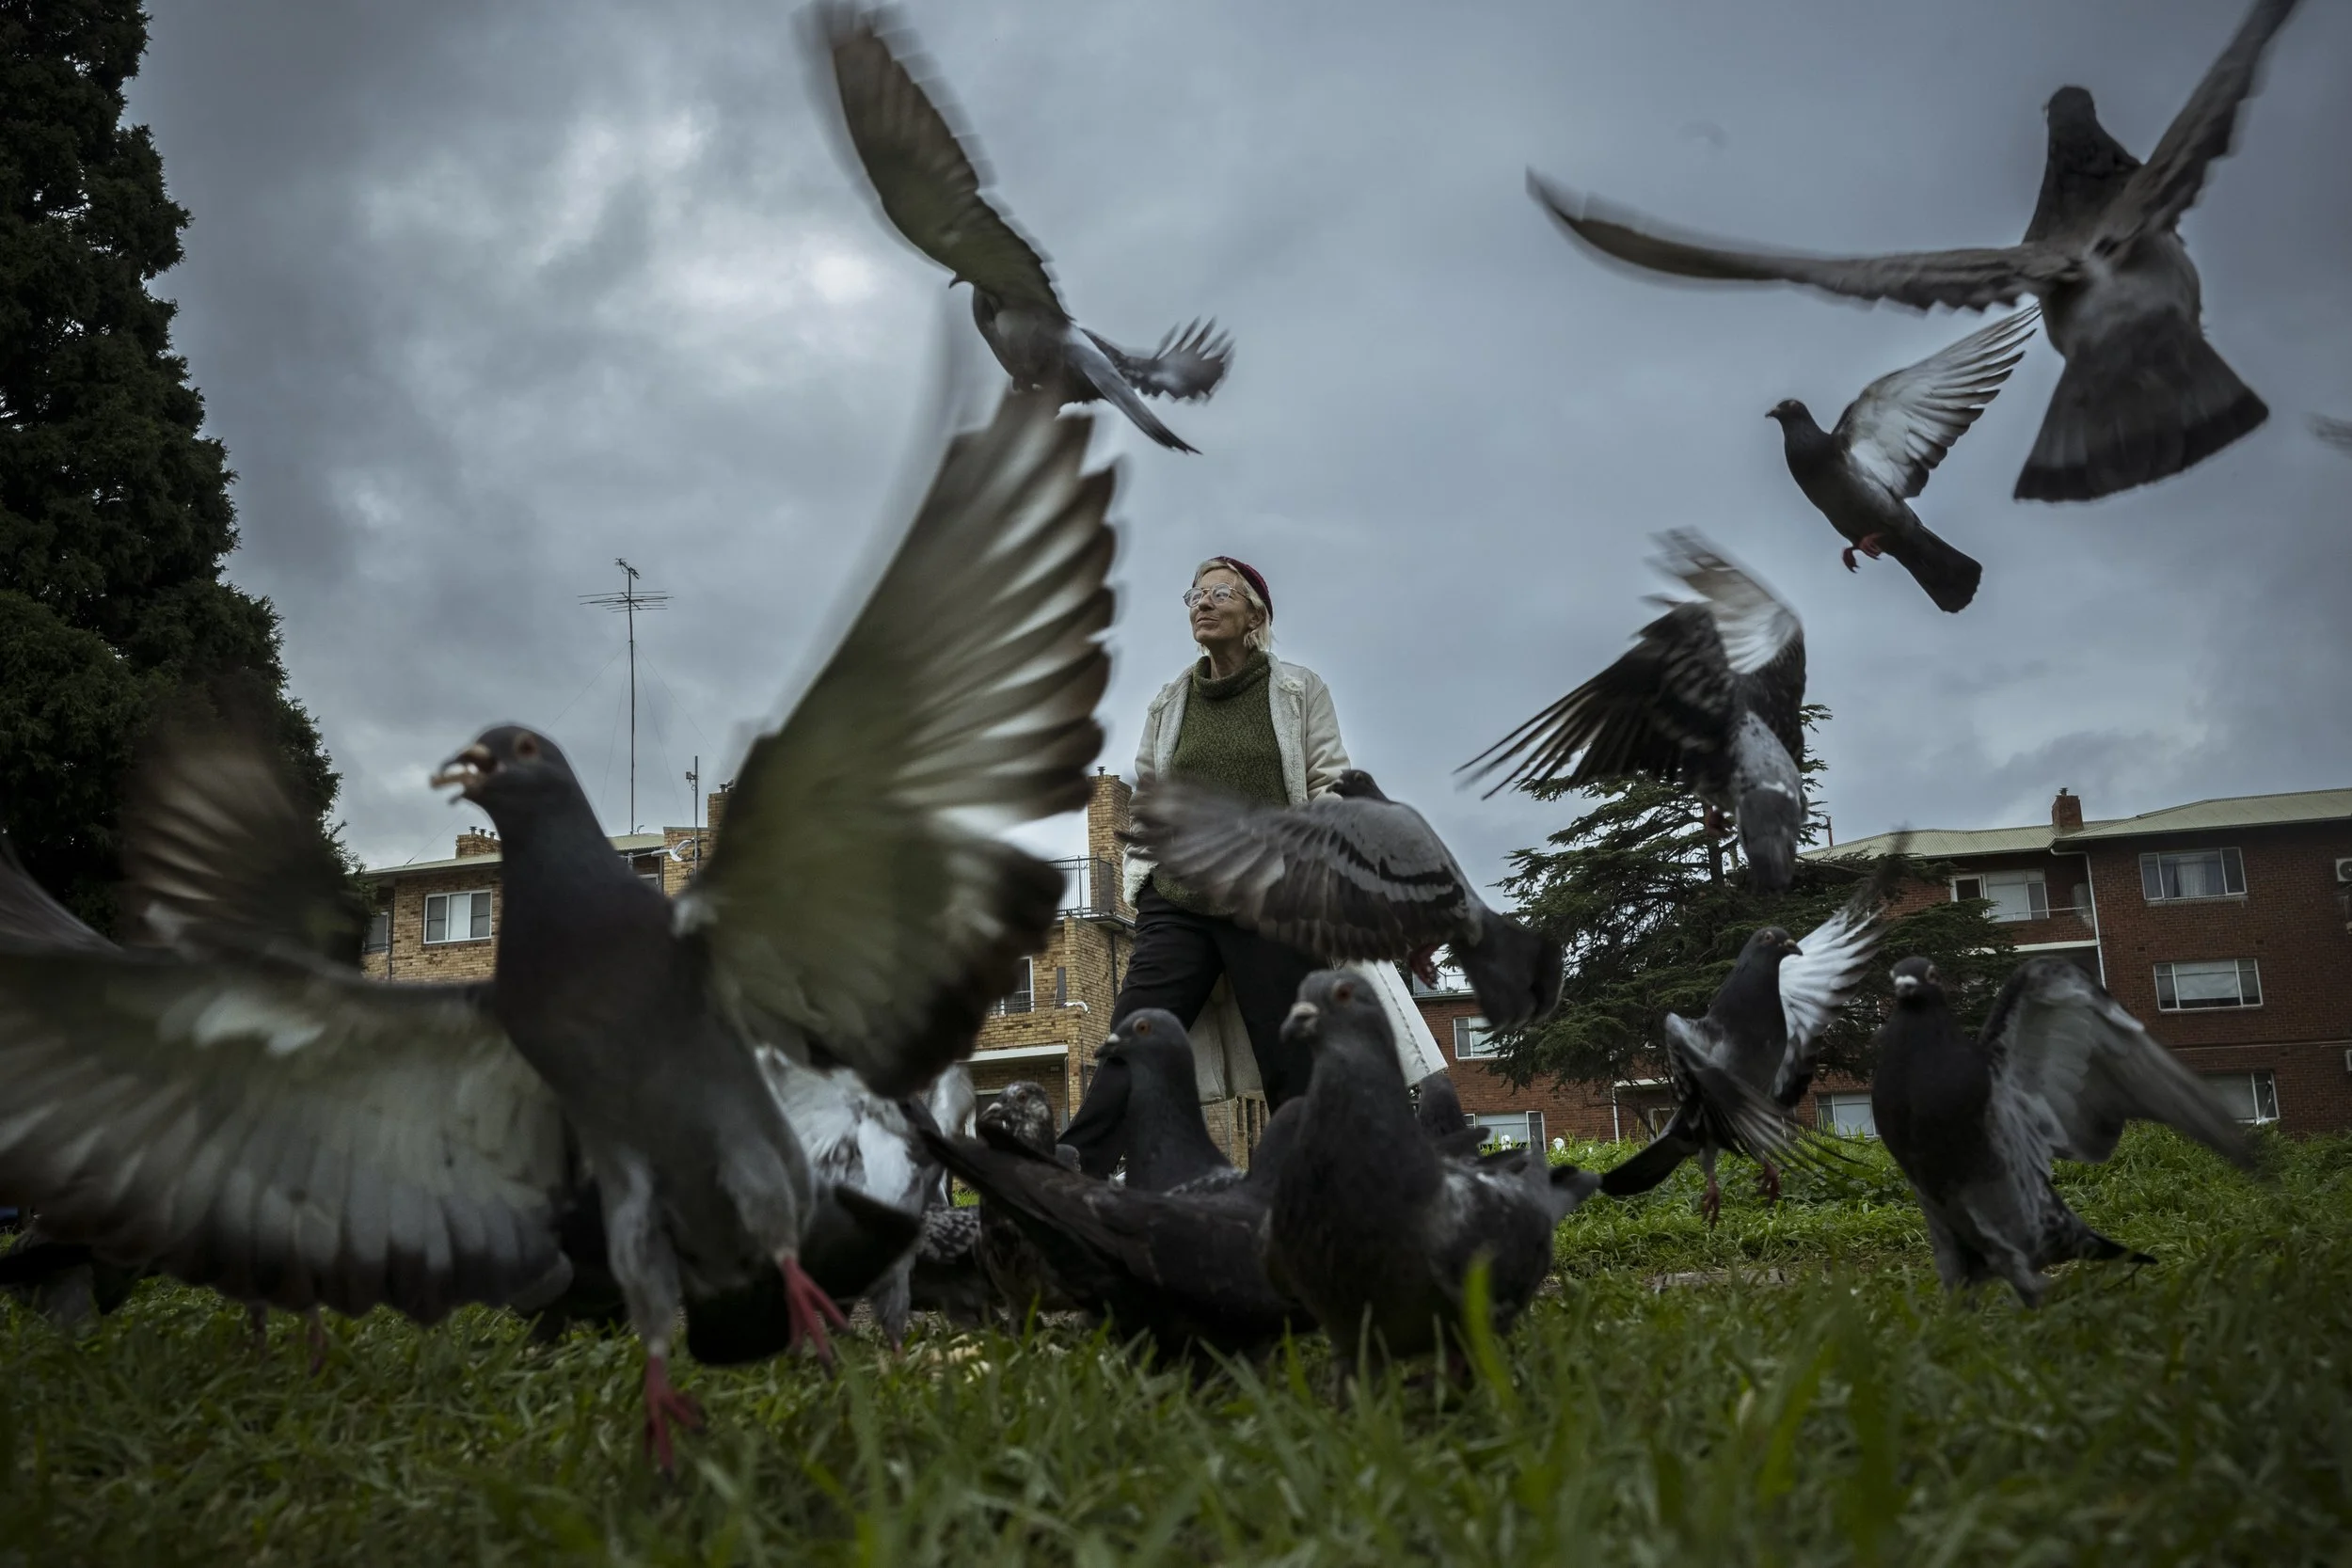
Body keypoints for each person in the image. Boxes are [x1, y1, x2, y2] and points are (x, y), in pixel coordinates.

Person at [1061, 557, 1446, 1173]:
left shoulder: (1298, 691)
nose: (1202, 603)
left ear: (1254, 617)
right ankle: (1069, 1171)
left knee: (1292, 1051)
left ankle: (1321, 1187)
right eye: (1195, 594)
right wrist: (1148, 877)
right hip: (1180, 902)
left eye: (1219, 593)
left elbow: (1328, 780)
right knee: (1131, 1039)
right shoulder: (1170, 703)